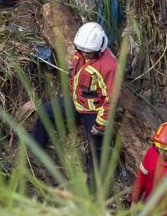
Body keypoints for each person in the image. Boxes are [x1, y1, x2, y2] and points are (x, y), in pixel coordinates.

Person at [29, 22, 120, 171]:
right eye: (82, 51)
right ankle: (36, 150)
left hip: (94, 111)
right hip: (77, 102)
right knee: (46, 111)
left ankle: (94, 186)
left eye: (88, 53)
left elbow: (111, 100)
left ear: (99, 49)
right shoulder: (83, 50)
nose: (84, 55)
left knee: (96, 148)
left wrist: (100, 125)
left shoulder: (109, 67)